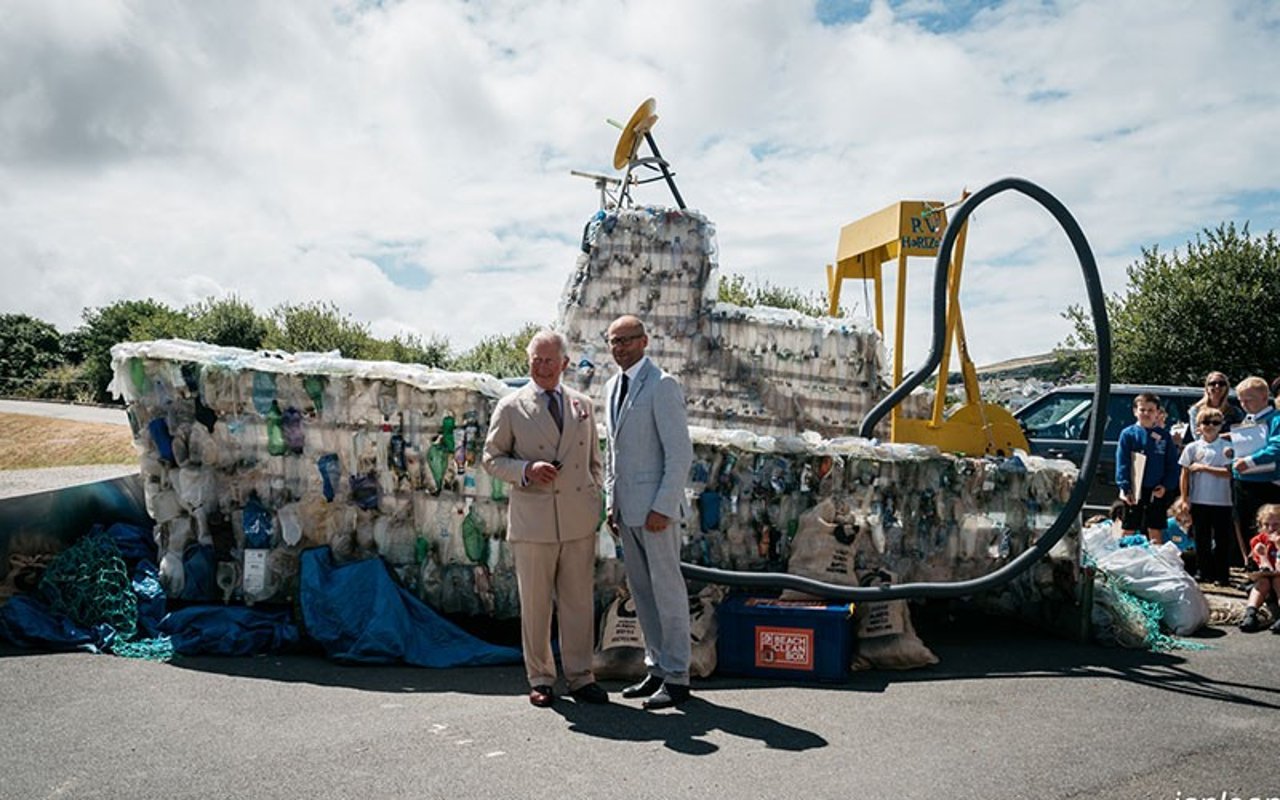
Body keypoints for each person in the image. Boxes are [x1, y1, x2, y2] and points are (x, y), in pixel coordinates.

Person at [481, 329, 609, 708]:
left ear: (565, 363)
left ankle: (582, 676)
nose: (541, 366)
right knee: (536, 605)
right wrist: (525, 469)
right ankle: (540, 677)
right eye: (536, 359)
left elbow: (594, 463)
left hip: (577, 520)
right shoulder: (510, 406)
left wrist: (593, 497)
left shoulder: (582, 404)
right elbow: (491, 459)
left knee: (578, 603)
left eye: (549, 359)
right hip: (534, 520)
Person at [603, 315, 695, 710]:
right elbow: (614, 455)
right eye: (612, 341)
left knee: (668, 593)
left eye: (626, 340)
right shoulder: (611, 387)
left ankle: (678, 677)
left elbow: (679, 454)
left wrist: (662, 505)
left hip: (656, 512)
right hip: (627, 511)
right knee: (642, 595)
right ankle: (656, 667)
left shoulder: (662, 385)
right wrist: (612, 504)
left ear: (644, 342)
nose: (619, 347)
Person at [1178, 408, 1236, 584]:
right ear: (1198, 426)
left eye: (1215, 423)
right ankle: (1204, 572)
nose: (1210, 426)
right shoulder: (1192, 447)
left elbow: (1229, 472)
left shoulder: (1227, 447)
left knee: (1221, 540)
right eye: (1206, 423)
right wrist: (1184, 498)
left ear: (1221, 426)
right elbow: (1185, 473)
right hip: (1199, 499)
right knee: (1201, 539)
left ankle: (1222, 575)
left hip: (1222, 501)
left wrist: (1204, 468)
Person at [1115, 393, 1181, 544]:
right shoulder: (1128, 434)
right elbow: (1122, 462)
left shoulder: (1163, 436)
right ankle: (1122, 559)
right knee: (1129, 526)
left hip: (1156, 490)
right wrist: (1125, 487)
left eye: (1150, 410)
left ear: (1158, 413)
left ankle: (1155, 559)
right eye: (1142, 410)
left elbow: (1172, 464)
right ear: (1135, 411)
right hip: (1134, 490)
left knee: (1155, 528)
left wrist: (1166, 486)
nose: (1146, 413)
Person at [1230, 376, 1280, 569]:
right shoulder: (1247, 420)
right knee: (1244, 528)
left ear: (1264, 396)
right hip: (1242, 481)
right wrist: (1231, 452)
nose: (1244, 404)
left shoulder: (1275, 419)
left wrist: (1250, 461)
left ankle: (1269, 575)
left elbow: (1276, 448)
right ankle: (1252, 569)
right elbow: (1244, 446)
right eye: (1241, 400)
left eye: (1248, 399)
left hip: (1265, 485)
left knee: (1266, 529)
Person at [1238, 504, 1280, 633]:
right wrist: (1262, 555)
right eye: (1266, 525)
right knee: (1264, 581)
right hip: (1266, 583)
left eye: (1276, 525)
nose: (1270, 529)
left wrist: (1278, 547)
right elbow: (1265, 568)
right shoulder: (1257, 541)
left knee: (1278, 580)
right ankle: (1251, 614)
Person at [1187, 371, 1243, 436]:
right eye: (1212, 383)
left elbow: (1240, 435)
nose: (1217, 386)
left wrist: (1210, 435)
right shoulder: (1196, 410)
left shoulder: (1235, 412)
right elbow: (1197, 436)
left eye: (1221, 383)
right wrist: (1228, 436)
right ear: (1207, 388)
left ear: (1226, 388)